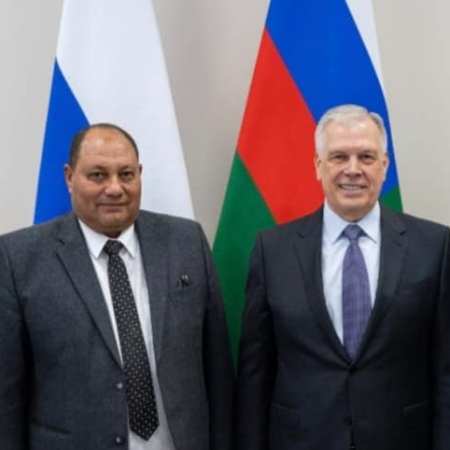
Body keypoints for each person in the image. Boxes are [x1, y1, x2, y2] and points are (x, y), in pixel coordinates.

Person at [0, 123, 233, 450]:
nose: (114, 188)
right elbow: (7, 394)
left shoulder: (186, 242)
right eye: (98, 175)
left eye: (126, 174)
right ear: (69, 177)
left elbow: (217, 369)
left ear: (140, 175)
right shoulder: (19, 258)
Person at [236, 104, 450, 450]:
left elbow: (445, 369)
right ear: (318, 166)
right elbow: (254, 375)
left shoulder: (434, 246)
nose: (353, 170)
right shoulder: (271, 251)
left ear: (384, 166)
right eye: (338, 157)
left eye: (366, 157)